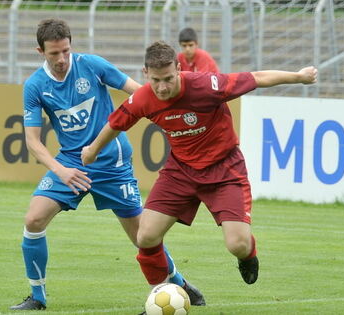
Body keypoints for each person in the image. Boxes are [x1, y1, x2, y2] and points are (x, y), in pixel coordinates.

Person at [81, 41, 318, 292]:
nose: (162, 87)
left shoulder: (207, 85)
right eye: (156, 80)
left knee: (237, 244)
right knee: (146, 236)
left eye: (169, 79)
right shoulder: (143, 98)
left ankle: (248, 254)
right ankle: (162, 294)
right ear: (145, 73)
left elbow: (257, 77)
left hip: (225, 169)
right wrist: (92, 150)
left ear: (179, 69)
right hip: (180, 171)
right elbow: (116, 124)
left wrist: (299, 77)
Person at [10, 21, 205, 311]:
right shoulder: (36, 86)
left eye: (66, 51)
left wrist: (175, 117)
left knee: (142, 237)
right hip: (71, 164)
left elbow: (140, 92)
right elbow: (33, 141)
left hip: (112, 161)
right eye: (54, 54)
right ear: (40, 51)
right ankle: (37, 297)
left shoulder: (91, 65)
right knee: (33, 220)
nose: (62, 59)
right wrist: (61, 170)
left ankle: (177, 280)